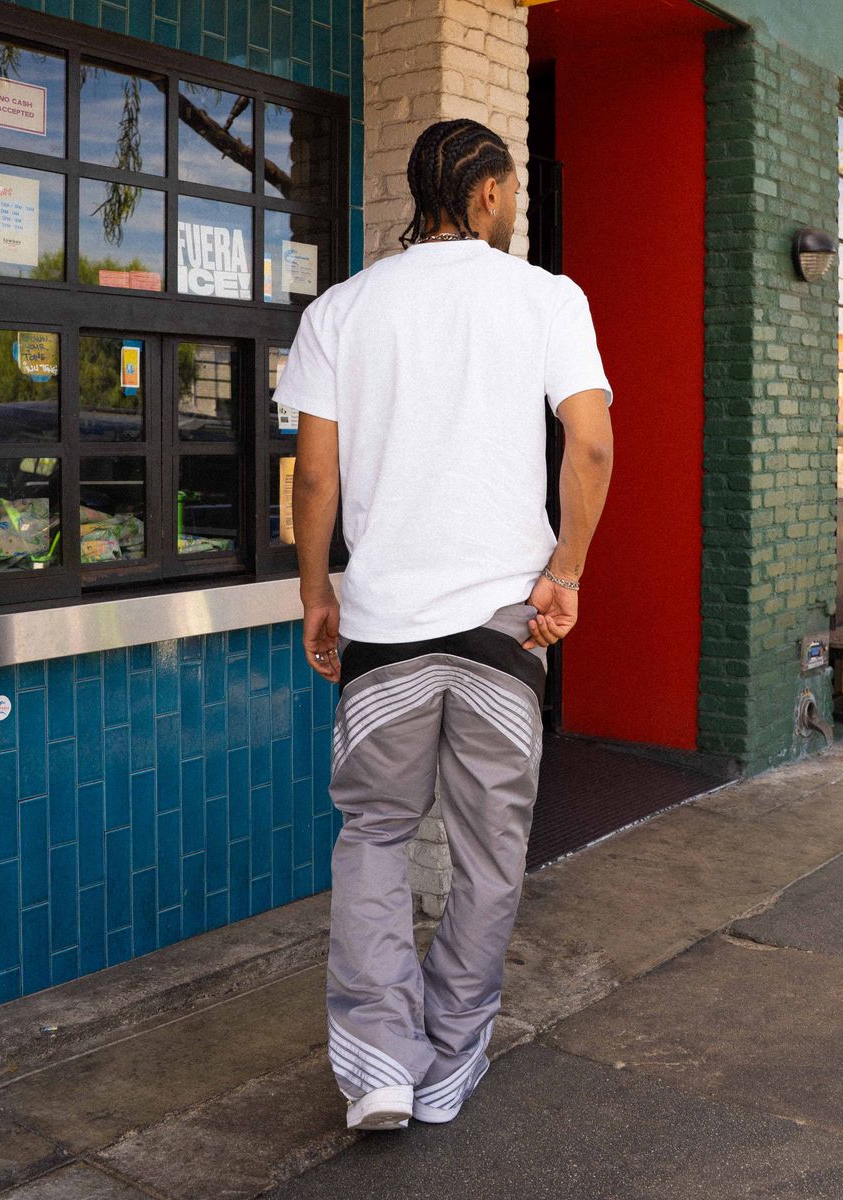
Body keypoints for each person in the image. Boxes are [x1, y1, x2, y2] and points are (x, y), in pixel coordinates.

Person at [273, 118, 614, 1132]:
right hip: (505, 630)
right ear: (489, 194)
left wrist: (316, 594)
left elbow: (318, 476)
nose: (515, 208)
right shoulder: (548, 296)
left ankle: (378, 1058)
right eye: (510, 192)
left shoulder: (343, 309)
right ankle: (451, 1058)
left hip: (382, 628)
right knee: (488, 850)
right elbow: (589, 451)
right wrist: (568, 574)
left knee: (373, 835)